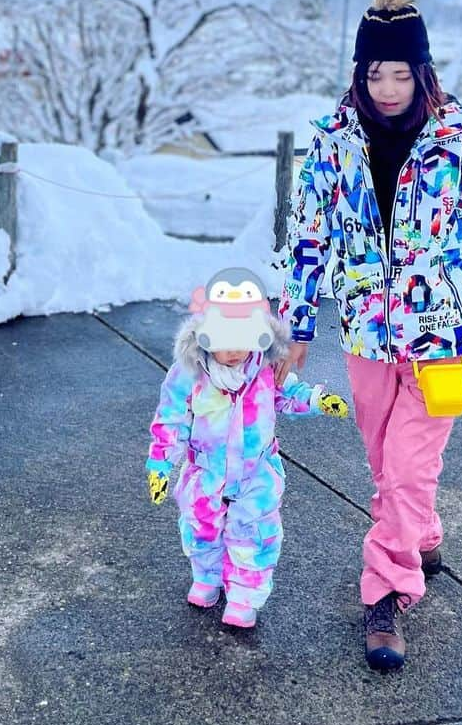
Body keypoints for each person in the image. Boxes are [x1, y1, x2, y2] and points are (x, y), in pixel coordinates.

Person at [276, 0, 462, 671]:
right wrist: (296, 324)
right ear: (358, 74)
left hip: (446, 332)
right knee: (389, 462)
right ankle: (423, 534)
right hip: (366, 331)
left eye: (399, 73)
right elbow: (307, 236)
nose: (386, 88)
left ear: (423, 72)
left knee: (408, 463)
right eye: (373, 73)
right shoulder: (334, 141)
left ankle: (386, 594)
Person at [146, 266, 349, 629]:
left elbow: (288, 394)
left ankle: (243, 596)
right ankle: (207, 577)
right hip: (206, 470)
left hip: (256, 471)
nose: (235, 351)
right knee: (201, 525)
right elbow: (171, 419)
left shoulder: (265, 367)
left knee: (252, 532)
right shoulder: (188, 374)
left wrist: (318, 401)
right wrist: (161, 463)